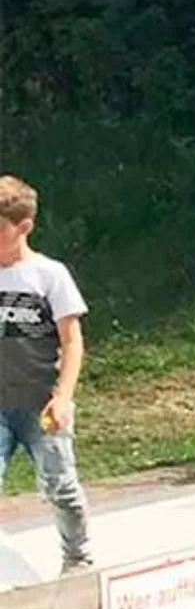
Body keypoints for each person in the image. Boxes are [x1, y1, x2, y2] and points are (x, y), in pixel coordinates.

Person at [0, 176, 91, 573]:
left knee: (60, 486)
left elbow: (72, 341)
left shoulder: (49, 275)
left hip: (41, 403)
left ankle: (77, 559)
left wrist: (64, 396)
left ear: (24, 227)